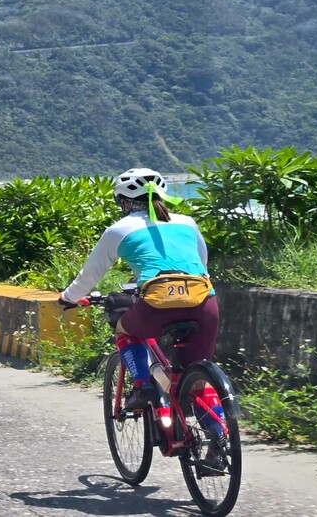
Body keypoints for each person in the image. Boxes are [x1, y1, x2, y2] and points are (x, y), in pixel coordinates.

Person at [58, 168, 223, 441]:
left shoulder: (118, 230)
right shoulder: (187, 222)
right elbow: (201, 266)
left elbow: (88, 277)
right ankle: (219, 440)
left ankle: (143, 385)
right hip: (203, 302)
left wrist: (68, 298)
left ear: (124, 201)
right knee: (200, 376)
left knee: (126, 331)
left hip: (155, 305)